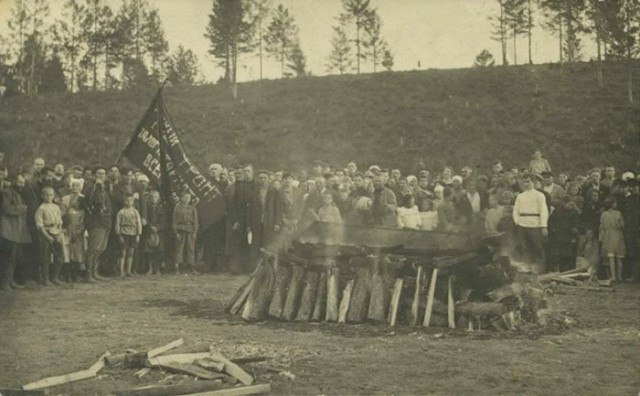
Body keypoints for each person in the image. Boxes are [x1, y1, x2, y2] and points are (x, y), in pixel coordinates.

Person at [512, 174, 549, 274]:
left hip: (535, 224)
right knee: (525, 248)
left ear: (533, 182)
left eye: (528, 181)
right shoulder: (520, 196)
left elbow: (544, 211)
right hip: (522, 225)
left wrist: (543, 226)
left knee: (538, 248)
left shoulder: (540, 195)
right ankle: (527, 271)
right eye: (524, 182)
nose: (526, 184)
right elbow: (516, 211)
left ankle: (540, 270)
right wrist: (517, 222)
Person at [0, 174, 31, 290]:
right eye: (19, 182)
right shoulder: (5, 193)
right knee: (7, 258)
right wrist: (23, 208)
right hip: (8, 230)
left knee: (14, 257)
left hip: (16, 231)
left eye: (23, 183)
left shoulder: (19, 194)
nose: (21, 185)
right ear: (13, 181)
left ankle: (10, 280)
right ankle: (4, 283)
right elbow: (6, 209)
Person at [84, 167, 112, 282]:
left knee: (101, 248)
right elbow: (98, 203)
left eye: (103, 173)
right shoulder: (92, 188)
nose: (101, 175)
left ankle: (95, 273)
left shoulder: (104, 188)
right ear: (94, 175)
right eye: (99, 173)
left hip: (105, 222)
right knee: (93, 249)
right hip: (96, 222)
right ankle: (89, 275)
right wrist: (99, 186)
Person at [34, 187, 65, 286]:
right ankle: (45, 279)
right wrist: (47, 236)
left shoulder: (56, 207)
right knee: (45, 257)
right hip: (45, 233)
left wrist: (59, 233)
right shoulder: (41, 208)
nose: (49, 197)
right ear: (42, 196)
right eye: (46, 195)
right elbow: (39, 225)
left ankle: (54, 277)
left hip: (56, 232)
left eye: (51, 195)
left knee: (59, 256)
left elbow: (60, 222)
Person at [59, 178, 86, 282]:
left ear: (81, 187)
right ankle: (67, 275)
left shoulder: (83, 199)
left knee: (78, 252)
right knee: (67, 251)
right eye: (73, 185)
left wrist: (80, 230)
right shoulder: (65, 199)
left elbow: (84, 216)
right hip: (67, 228)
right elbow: (62, 213)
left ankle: (76, 275)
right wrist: (65, 225)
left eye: (77, 186)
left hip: (79, 229)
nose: (75, 187)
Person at [547, 196, 580, 273]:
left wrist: (574, 231)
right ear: (563, 203)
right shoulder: (557, 211)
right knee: (558, 255)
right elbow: (551, 222)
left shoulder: (574, 212)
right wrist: (554, 230)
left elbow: (577, 224)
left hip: (569, 237)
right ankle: (559, 270)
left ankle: (569, 271)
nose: (570, 206)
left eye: (572, 204)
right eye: (569, 204)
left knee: (569, 255)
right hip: (559, 236)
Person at [115, 193, 142, 277]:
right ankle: (121, 271)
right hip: (124, 233)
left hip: (133, 233)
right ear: (124, 201)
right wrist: (119, 235)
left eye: (131, 200)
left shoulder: (135, 211)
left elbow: (139, 223)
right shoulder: (121, 212)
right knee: (123, 253)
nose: (129, 202)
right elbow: (117, 224)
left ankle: (128, 271)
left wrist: (138, 234)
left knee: (131, 253)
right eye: (127, 200)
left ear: (133, 201)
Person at [599, 197, 625, 282]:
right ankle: (620, 276)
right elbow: (622, 225)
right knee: (619, 257)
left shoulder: (604, 214)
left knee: (611, 257)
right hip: (618, 235)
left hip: (608, 236)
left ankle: (613, 276)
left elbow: (602, 226)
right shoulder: (618, 213)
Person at [172, 190, 198, 274]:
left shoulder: (192, 208)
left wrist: (195, 232)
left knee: (191, 248)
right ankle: (177, 268)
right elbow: (174, 221)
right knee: (179, 248)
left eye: (189, 198)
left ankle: (192, 267)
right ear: (181, 198)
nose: (187, 199)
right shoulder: (177, 208)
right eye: (185, 197)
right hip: (180, 229)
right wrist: (176, 232)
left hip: (190, 230)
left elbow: (195, 221)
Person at [141, 190, 166, 275]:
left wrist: (158, 227)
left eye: (155, 197)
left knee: (159, 251)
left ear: (158, 198)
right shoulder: (147, 207)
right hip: (149, 230)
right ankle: (150, 268)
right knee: (149, 251)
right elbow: (145, 218)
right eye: (152, 197)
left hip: (159, 231)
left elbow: (163, 220)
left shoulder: (161, 207)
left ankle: (157, 269)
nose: (153, 199)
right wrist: (150, 226)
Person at [621, 179, 639, 281]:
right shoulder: (627, 199)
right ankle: (634, 275)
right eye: (630, 187)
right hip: (630, 229)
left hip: (637, 228)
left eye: (635, 186)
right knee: (632, 252)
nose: (632, 188)